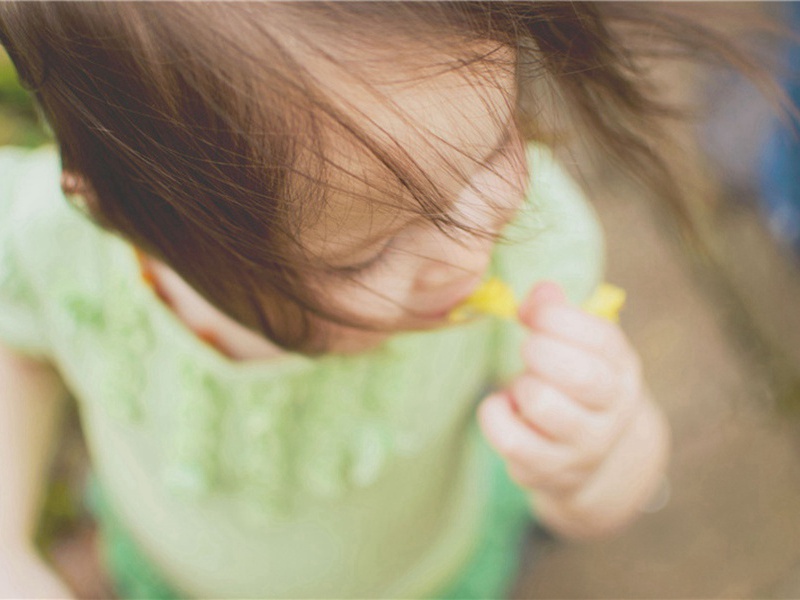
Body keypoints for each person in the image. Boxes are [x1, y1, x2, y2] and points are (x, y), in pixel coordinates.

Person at [0, 3, 719, 598]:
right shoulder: (62, 245)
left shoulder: (535, 252)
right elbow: (16, 336)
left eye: (497, 139)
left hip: (420, 575)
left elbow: (615, 484)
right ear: (121, 217)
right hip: (163, 561)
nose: (471, 249)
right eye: (366, 255)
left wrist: (599, 459)